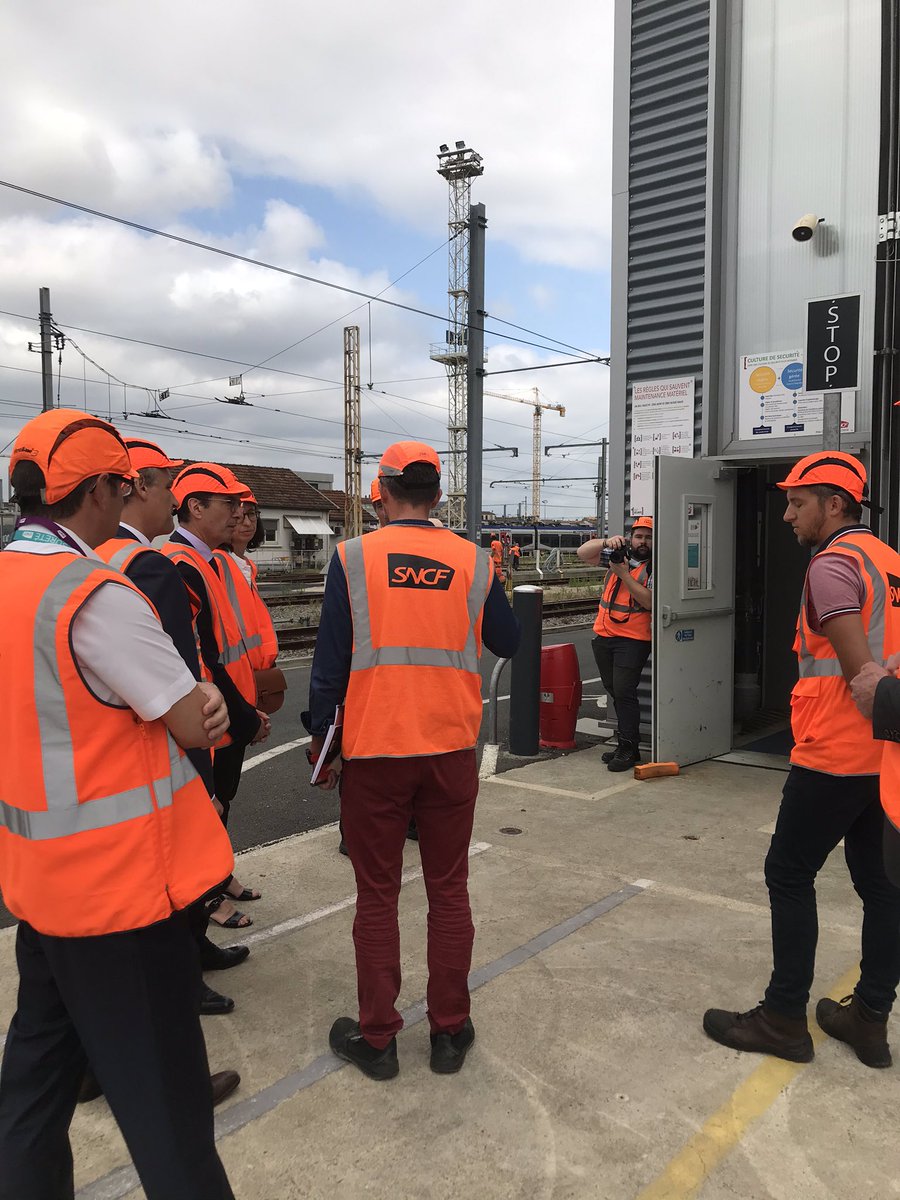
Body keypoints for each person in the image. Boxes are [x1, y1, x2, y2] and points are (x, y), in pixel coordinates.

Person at [0, 410, 236, 1200]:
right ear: (101, 491)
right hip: (122, 898)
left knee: (32, 1090)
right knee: (170, 1117)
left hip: (41, 887)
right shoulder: (95, 593)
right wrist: (200, 694)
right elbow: (186, 714)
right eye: (128, 484)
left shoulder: (7, 579)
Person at [305, 441, 520, 1080]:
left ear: (383, 493)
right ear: (437, 494)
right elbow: (507, 639)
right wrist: (490, 582)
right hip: (450, 747)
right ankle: (449, 1031)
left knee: (377, 896)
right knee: (448, 889)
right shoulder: (475, 562)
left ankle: (379, 1040)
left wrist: (324, 745)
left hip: (375, 749)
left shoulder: (351, 558)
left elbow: (328, 668)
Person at [704, 451, 900, 1069]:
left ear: (834, 504)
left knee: (789, 873)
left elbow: (860, 674)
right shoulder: (891, 562)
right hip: (886, 756)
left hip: (835, 752)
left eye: (798, 501)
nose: (788, 515)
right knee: (882, 887)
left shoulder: (832, 565)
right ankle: (869, 1018)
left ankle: (784, 1018)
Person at [96, 438, 249, 1019]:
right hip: (171, 749)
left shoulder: (96, 558)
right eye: (167, 486)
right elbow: (185, 679)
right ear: (136, 489)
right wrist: (203, 770)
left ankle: (194, 951)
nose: (171, 496)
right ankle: (186, 977)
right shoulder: (152, 566)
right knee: (181, 868)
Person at [164, 463, 271, 930]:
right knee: (206, 811)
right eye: (229, 504)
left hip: (227, 711)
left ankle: (217, 879)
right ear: (195, 507)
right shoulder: (182, 563)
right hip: (212, 715)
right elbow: (204, 655)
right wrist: (244, 717)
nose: (238, 514)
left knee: (221, 800)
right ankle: (206, 900)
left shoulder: (212, 560)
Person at [577, 516, 653, 771]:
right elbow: (582, 552)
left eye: (648, 537)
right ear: (632, 538)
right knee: (615, 691)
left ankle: (629, 748)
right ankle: (624, 743)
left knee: (624, 692)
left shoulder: (653, 566)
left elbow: (650, 601)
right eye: (639, 536)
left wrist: (624, 575)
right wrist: (606, 541)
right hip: (604, 636)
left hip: (632, 640)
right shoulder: (618, 555)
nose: (643, 542)